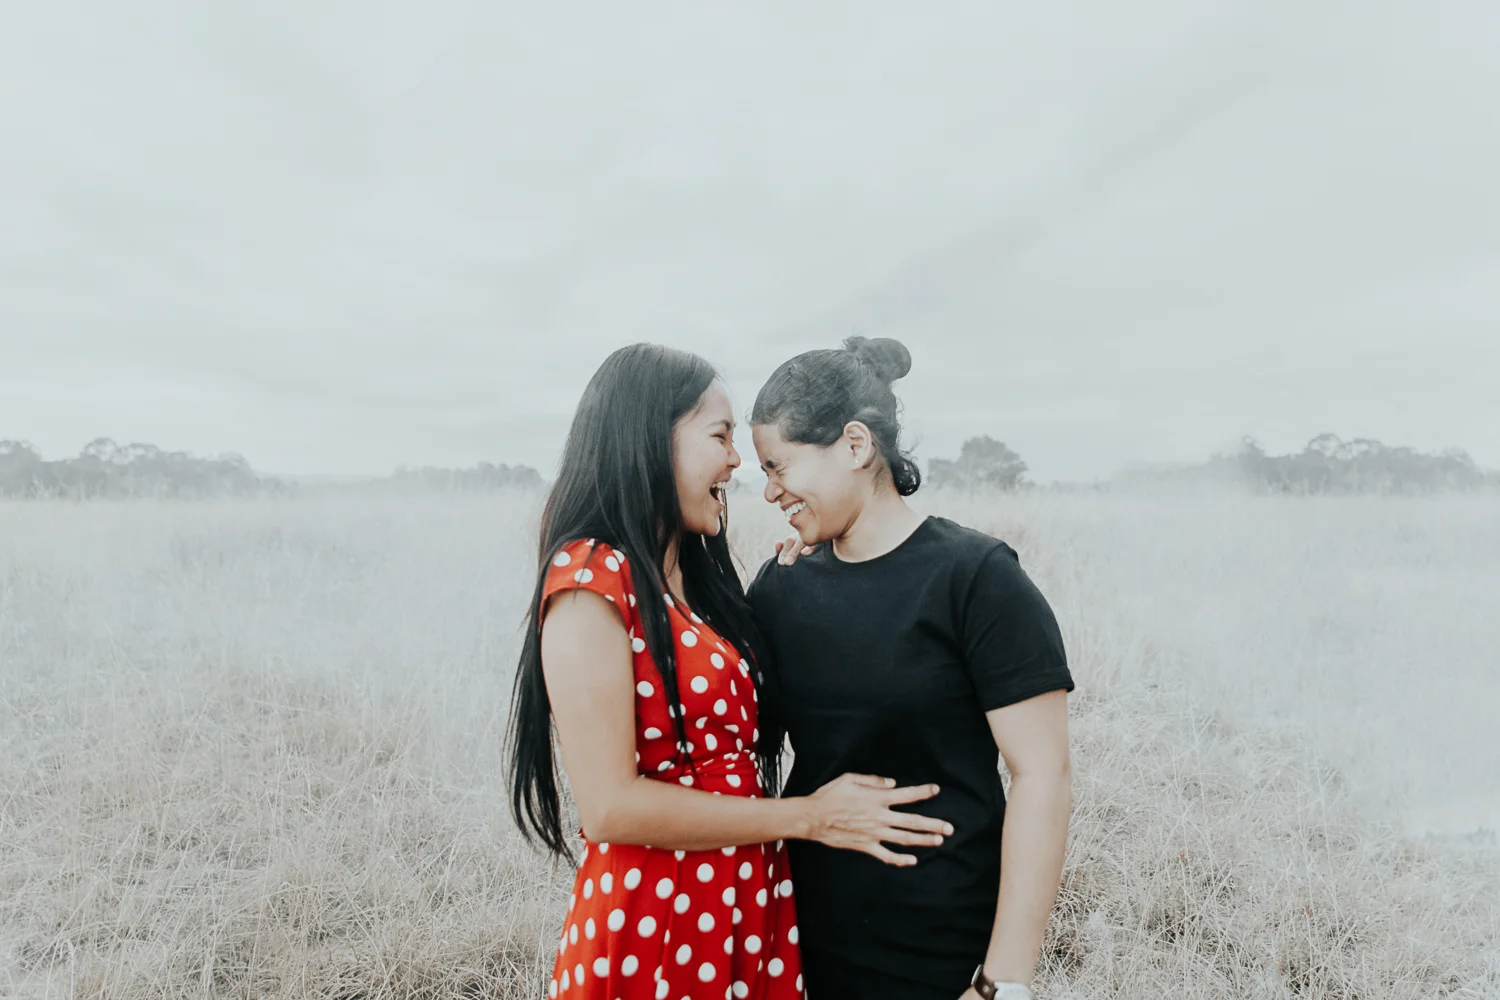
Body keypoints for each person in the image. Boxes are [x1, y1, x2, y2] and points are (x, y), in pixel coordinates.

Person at [506, 343, 953, 1000]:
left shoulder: (696, 578)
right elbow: (609, 807)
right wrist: (807, 818)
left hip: (744, 903)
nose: (737, 461)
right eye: (719, 435)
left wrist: (828, 549)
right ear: (650, 440)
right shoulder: (590, 579)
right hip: (658, 921)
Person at [748, 336, 1075, 1000]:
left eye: (779, 466)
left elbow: (1044, 776)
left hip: (943, 955)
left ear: (855, 446)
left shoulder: (977, 580)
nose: (769, 492)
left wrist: (1000, 983)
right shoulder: (779, 590)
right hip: (800, 948)